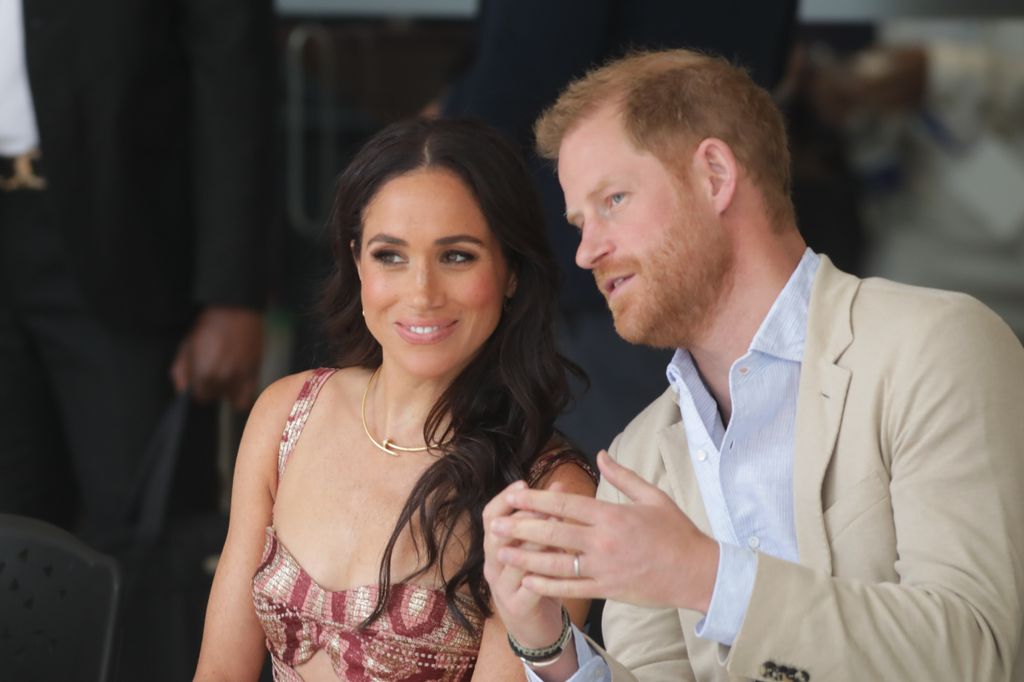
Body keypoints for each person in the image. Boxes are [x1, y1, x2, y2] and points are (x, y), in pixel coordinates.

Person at [482, 49, 1024, 681]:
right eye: (579, 221)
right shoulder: (639, 457)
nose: (586, 250)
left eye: (614, 200)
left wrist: (703, 576)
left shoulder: (935, 347)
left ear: (714, 175)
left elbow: (982, 655)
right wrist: (550, 646)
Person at [194, 118, 597, 681]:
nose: (422, 293)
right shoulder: (287, 413)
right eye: (391, 256)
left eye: (457, 256)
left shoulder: (548, 493)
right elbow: (218, 672)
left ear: (510, 272)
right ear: (356, 260)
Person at [435, 0, 797, 456]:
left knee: (614, 488)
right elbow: (770, 64)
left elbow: (518, 77)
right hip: (733, 254)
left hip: (602, 293)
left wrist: (441, 139)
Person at [0, 0, 273, 545]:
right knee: (13, 533)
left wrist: (233, 293)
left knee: (144, 527)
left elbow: (235, 76)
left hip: (126, 241)